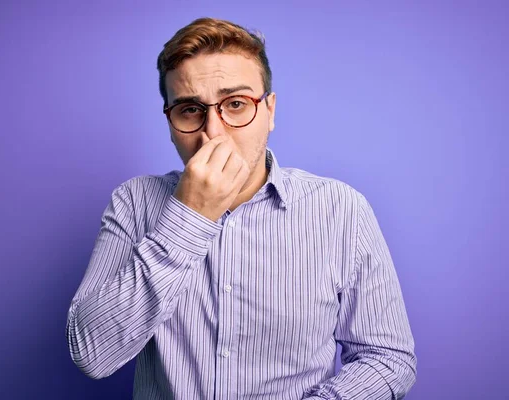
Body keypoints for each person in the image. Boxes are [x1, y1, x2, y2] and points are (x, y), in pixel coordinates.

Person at [66, 17, 416, 400]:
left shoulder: (340, 210)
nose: (213, 132)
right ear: (169, 122)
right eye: (189, 109)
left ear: (270, 111)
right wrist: (189, 217)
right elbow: (92, 354)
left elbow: (387, 358)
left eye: (235, 104)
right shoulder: (134, 203)